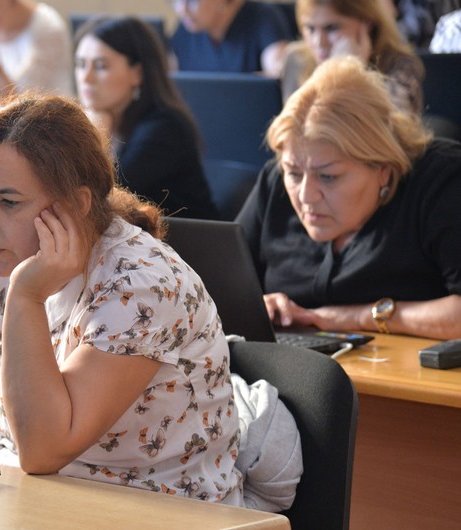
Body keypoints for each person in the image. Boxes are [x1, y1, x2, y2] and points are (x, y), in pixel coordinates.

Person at [0, 93, 244, 505]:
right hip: (29, 499)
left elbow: (44, 452)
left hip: (157, 510)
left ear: (76, 203)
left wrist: (25, 298)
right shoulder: (2, 260)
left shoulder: (140, 284)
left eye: (9, 201)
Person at [236, 56, 461, 340]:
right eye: (293, 173)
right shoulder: (274, 181)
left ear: (383, 169)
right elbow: (213, 286)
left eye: (328, 177)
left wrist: (356, 317)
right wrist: (256, 306)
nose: (306, 195)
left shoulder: (441, 181)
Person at [74, 16, 219, 220]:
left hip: (186, 247)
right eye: (80, 64)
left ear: (138, 73)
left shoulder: (165, 128)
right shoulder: (100, 117)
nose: (85, 78)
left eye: (100, 66)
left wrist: (98, 136)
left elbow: (103, 200)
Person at [280, 0, 424, 115]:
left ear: (367, 24)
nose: (319, 42)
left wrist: (352, 72)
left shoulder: (400, 63)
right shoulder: (296, 60)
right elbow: (295, 132)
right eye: (310, 28)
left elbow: (397, 134)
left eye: (332, 28)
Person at [169, 0, 292, 77]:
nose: (182, 9)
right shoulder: (185, 29)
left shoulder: (264, 18)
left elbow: (278, 75)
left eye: (192, 1)